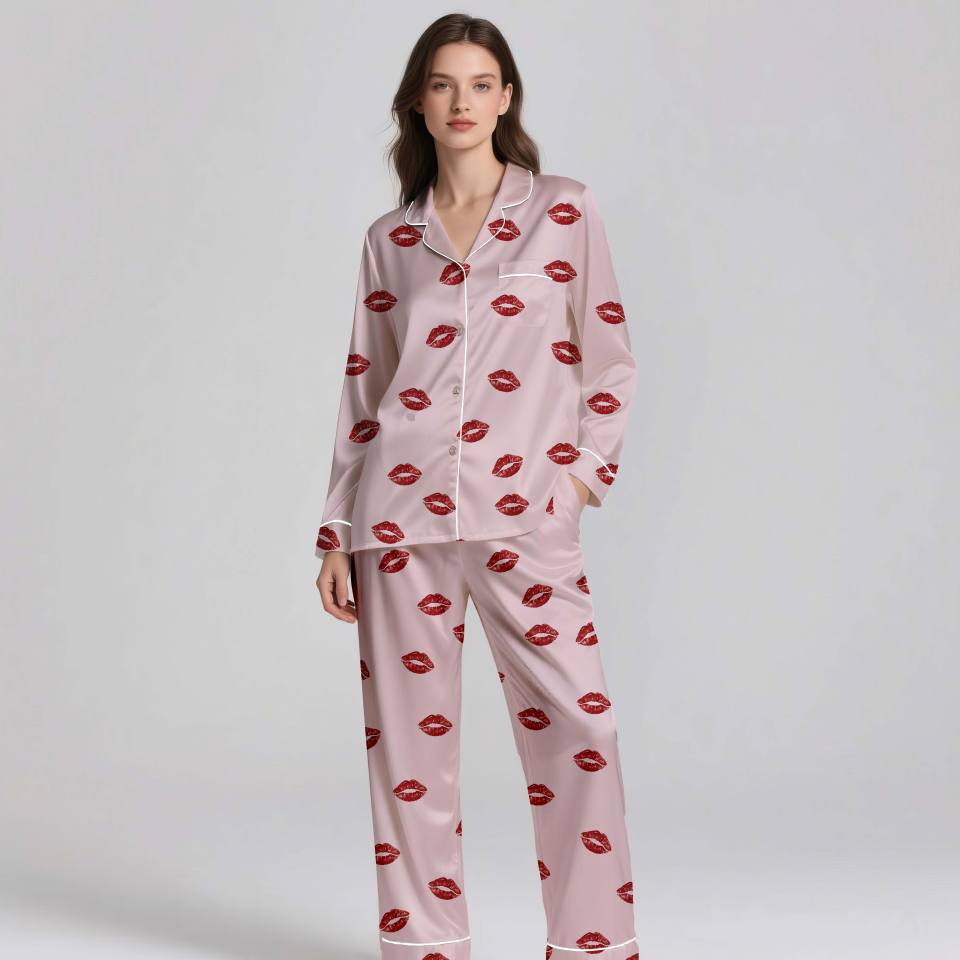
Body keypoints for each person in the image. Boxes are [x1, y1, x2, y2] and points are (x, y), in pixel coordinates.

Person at [314, 14, 639, 960]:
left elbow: (610, 361)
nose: (462, 101)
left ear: (506, 99)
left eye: (481, 83)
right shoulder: (392, 239)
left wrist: (577, 483)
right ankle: (425, 946)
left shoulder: (563, 211)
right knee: (408, 756)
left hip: (525, 517)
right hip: (397, 521)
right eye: (443, 83)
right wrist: (335, 529)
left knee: (581, 728)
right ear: (418, 102)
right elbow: (366, 391)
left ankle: (592, 947)